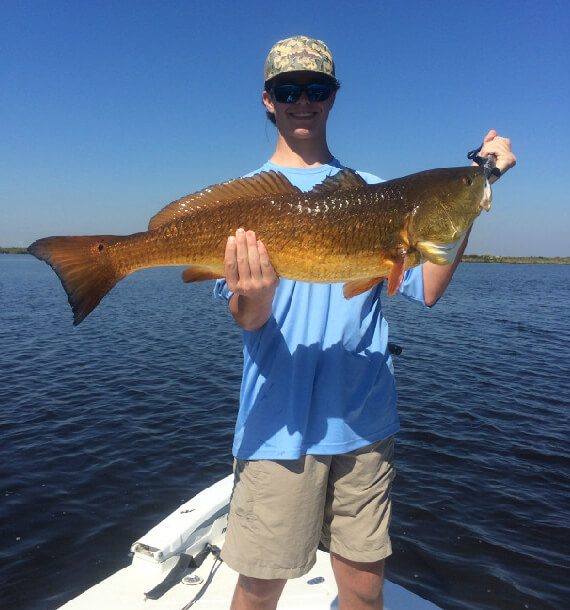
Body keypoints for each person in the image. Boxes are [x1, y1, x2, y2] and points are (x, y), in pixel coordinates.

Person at [214, 35, 516, 610]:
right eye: (289, 89)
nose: (303, 100)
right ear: (268, 100)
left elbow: (427, 289)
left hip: (366, 422)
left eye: (317, 88)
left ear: (333, 97)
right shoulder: (243, 208)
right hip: (278, 426)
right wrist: (254, 293)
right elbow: (246, 318)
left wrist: (480, 184)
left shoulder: (378, 192)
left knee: (364, 585)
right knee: (259, 586)